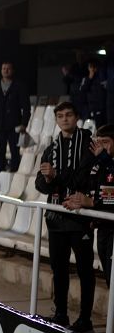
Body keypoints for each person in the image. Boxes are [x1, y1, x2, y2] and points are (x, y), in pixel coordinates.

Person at [36, 102, 95, 331]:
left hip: (80, 219)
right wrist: (49, 180)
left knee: (84, 271)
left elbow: (82, 179)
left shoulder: (88, 145)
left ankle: (86, 319)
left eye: (69, 115)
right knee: (58, 269)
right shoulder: (51, 148)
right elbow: (39, 182)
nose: (64, 119)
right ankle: (61, 313)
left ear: (77, 117)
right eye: (60, 116)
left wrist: (56, 175)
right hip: (56, 219)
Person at [69, 123, 114, 292]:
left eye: (106, 142)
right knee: (110, 279)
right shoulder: (98, 164)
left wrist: (92, 203)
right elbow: (93, 189)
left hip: (112, 229)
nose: (101, 147)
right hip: (102, 227)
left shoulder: (106, 162)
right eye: (99, 142)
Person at [0, 62, 31, 172]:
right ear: (1, 70)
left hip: (14, 125)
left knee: (15, 152)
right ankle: (0, 173)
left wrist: (24, 124)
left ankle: (14, 173)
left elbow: (26, 107)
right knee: (0, 152)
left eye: (8, 68)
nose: (6, 70)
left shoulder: (19, 86)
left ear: (13, 70)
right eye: (3, 68)